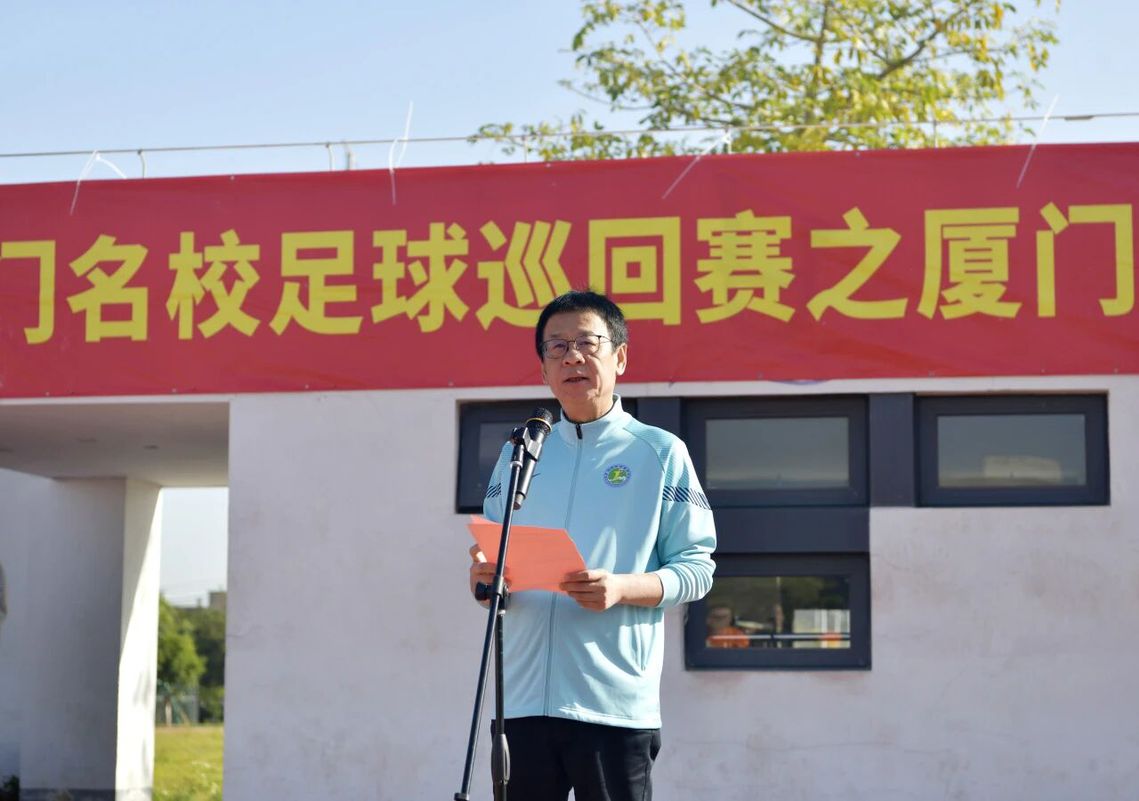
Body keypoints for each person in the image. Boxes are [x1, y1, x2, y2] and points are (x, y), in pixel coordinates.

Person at [468, 290, 716, 801]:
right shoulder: (519, 456)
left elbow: (697, 568)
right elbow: (493, 559)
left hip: (612, 706)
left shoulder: (659, 453)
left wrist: (621, 588)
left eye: (587, 343)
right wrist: (484, 578)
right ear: (543, 369)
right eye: (556, 347)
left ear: (620, 357)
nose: (572, 358)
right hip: (520, 701)